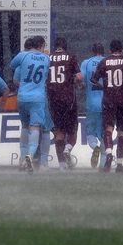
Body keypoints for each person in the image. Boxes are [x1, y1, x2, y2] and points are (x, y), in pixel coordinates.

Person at [91, 39, 123, 173]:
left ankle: (109, 153)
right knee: (122, 131)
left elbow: (94, 80)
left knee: (108, 128)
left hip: (108, 100)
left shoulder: (104, 62)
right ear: (122, 50)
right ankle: (119, 164)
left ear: (110, 50)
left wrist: (105, 87)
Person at [11, 35, 49, 174]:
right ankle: (31, 155)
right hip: (38, 97)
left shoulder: (23, 55)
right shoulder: (46, 58)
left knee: (25, 127)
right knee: (36, 127)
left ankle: (22, 158)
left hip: (22, 96)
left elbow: (12, 65)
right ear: (41, 45)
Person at [46, 37, 82, 171]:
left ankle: (61, 164)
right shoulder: (71, 57)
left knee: (59, 132)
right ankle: (68, 149)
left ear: (55, 47)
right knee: (72, 130)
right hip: (68, 99)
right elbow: (79, 77)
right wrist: (74, 80)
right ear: (65, 46)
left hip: (53, 99)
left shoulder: (48, 58)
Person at [81, 43, 106, 169]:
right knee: (105, 135)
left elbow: (82, 81)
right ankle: (102, 165)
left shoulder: (86, 63)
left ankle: (94, 147)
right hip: (106, 103)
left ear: (92, 51)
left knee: (90, 132)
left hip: (91, 104)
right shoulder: (108, 62)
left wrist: (82, 85)